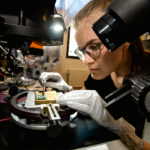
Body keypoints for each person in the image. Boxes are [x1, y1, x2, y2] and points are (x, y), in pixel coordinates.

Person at [39, 0, 150, 149]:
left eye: (95, 46)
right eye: (83, 50)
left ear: (124, 40)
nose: (86, 61)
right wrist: (68, 92)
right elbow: (86, 98)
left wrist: (119, 126)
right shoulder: (101, 74)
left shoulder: (147, 79)